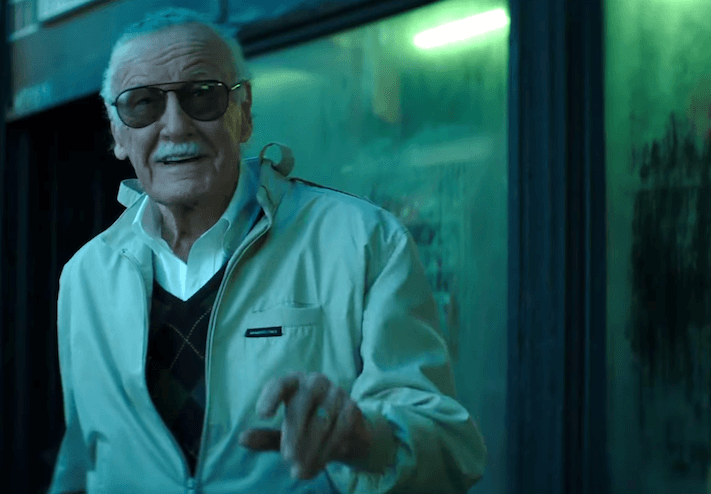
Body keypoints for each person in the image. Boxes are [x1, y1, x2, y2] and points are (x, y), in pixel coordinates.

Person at [49, 8, 486, 494]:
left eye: (203, 95)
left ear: (245, 113)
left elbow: (451, 448)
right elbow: (84, 457)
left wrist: (367, 438)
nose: (175, 126)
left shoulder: (364, 241)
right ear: (117, 134)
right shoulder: (85, 275)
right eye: (143, 104)